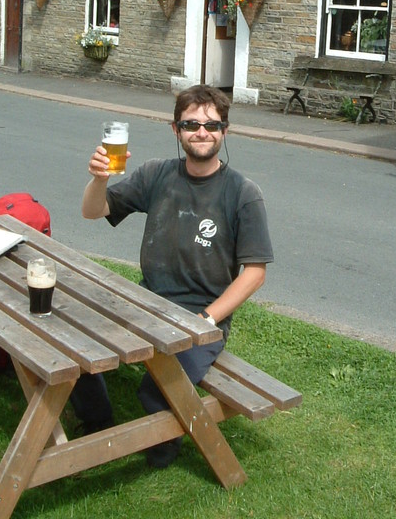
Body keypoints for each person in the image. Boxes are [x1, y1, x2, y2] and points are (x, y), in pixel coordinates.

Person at [81, 84, 273, 468]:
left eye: (212, 125)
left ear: (224, 131)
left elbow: (254, 273)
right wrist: (98, 178)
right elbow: (93, 210)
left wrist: (208, 319)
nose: (202, 132)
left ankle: (162, 443)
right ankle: (96, 421)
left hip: (199, 316)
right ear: (175, 130)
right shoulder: (156, 174)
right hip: (147, 300)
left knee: (160, 386)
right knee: (77, 340)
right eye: (191, 124)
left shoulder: (242, 193)